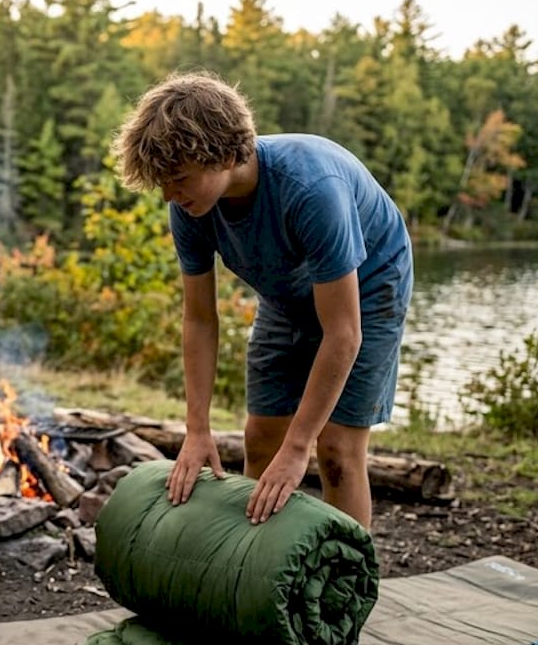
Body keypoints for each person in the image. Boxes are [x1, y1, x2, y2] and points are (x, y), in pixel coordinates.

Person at [110, 71, 413, 529]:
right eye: (162, 183)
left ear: (225, 154)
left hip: (369, 286)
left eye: (177, 178)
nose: (168, 194)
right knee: (262, 437)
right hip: (286, 291)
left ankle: (346, 587)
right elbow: (199, 320)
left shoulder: (311, 189)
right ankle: (254, 571)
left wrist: (299, 449)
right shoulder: (190, 208)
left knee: (334, 451)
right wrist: (197, 429)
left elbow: (344, 332)